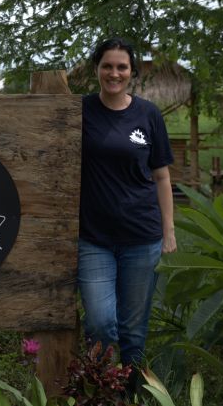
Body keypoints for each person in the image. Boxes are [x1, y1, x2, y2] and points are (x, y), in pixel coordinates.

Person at [78, 38, 177, 381]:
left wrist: (169, 231)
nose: (114, 73)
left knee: (134, 332)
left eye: (122, 67)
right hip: (94, 239)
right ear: (97, 69)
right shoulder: (80, 111)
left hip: (141, 238)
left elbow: (162, 176)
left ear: (132, 72)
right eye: (107, 66)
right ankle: (101, 392)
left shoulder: (147, 114)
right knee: (101, 323)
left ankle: (132, 393)